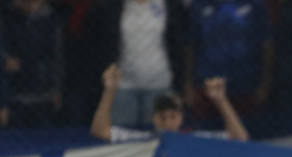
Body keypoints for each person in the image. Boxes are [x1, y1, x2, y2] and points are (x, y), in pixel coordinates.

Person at [86, 0, 188, 129]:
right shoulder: (111, 5)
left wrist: (182, 80)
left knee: (156, 139)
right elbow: (99, 40)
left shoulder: (169, 5)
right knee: (121, 138)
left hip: (160, 82)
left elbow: (178, 43)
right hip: (123, 85)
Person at [92, 64, 249, 142]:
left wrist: (221, 100)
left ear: (181, 118)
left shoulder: (194, 140)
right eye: (162, 117)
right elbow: (100, 131)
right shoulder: (143, 139)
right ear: (154, 118)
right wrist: (110, 91)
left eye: (172, 116)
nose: (167, 122)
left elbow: (240, 137)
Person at [184, 0, 274, 116]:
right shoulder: (198, 5)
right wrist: (188, 85)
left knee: (244, 131)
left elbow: (267, 45)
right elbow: (191, 47)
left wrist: (265, 85)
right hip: (207, 84)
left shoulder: (255, 4)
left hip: (245, 85)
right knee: (205, 133)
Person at [1, 0, 62, 127]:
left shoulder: (51, 19)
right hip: (15, 93)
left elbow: (57, 56)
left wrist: (57, 88)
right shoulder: (7, 17)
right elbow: (4, 53)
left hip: (43, 91)